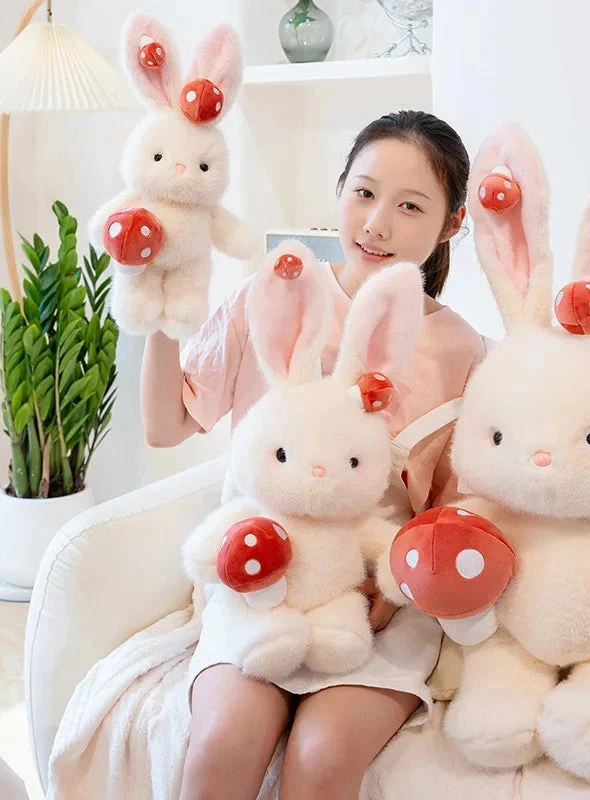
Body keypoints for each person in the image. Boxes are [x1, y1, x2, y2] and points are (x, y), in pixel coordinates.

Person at [141, 109, 487, 800]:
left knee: (324, 756)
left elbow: (456, 512)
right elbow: (166, 425)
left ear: (452, 224)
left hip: (376, 602)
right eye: (363, 193)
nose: (376, 224)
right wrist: (159, 309)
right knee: (223, 744)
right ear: (340, 190)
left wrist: (389, 592)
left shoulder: (465, 352)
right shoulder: (276, 295)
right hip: (259, 583)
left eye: (410, 206)